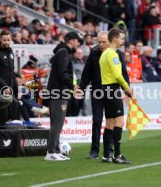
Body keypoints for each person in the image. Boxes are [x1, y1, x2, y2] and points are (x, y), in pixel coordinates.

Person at [80, 31, 130, 159]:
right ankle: (95, 150)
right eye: (99, 42)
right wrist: (82, 88)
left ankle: (109, 150)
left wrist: (126, 89)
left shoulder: (117, 53)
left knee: (111, 121)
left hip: (109, 90)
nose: (101, 44)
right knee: (98, 120)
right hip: (98, 91)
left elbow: (124, 72)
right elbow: (87, 73)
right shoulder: (95, 53)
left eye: (103, 42)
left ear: (109, 40)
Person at [44, 31, 83, 161]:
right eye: (78, 41)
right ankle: (51, 152)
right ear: (71, 40)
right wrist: (73, 87)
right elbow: (63, 73)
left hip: (59, 91)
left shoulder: (62, 52)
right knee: (57, 123)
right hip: (59, 92)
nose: (78, 44)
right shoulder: (63, 53)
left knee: (57, 122)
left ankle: (55, 150)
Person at [99, 28, 132, 164]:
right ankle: (117, 155)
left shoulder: (104, 54)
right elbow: (118, 75)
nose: (122, 41)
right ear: (114, 39)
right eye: (121, 38)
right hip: (112, 89)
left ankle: (107, 156)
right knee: (119, 122)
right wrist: (126, 88)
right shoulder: (113, 54)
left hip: (105, 88)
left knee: (110, 123)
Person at [0, 30, 21, 126]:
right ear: (0, 40)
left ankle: (10, 135)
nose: (6, 42)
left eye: (8, 40)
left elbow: (12, 73)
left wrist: (16, 89)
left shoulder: (11, 52)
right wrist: (4, 86)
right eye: (4, 40)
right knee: (4, 115)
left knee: (15, 107)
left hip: (9, 89)